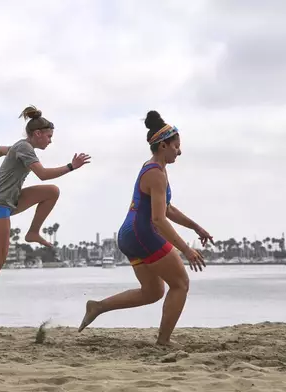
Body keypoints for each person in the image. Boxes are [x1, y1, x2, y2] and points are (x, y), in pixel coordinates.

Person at [78, 110, 212, 346]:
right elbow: (159, 220)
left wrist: (196, 227)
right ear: (163, 146)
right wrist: (186, 250)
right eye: (176, 146)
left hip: (130, 236)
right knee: (180, 284)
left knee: (152, 292)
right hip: (143, 234)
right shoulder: (156, 174)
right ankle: (163, 342)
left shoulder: (154, 168)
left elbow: (167, 209)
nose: (179, 151)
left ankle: (98, 307)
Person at [0, 106, 91, 334]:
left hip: (13, 199)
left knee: (52, 191)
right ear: (37, 133)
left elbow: (0, 150)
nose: (50, 141)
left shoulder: (20, 147)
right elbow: (42, 173)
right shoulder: (25, 147)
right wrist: (72, 167)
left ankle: (33, 232)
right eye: (49, 136)